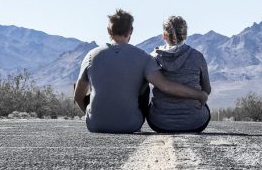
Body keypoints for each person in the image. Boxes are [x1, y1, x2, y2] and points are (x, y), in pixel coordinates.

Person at [74, 9, 208, 134]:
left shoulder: (91, 55)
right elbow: (165, 86)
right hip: (130, 124)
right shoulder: (143, 58)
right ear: (131, 30)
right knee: (143, 85)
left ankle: (98, 115)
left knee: (96, 84)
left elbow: (78, 96)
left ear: (109, 30)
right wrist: (199, 95)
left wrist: (89, 114)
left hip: (95, 125)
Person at [146, 15, 212, 133]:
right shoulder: (197, 57)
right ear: (185, 34)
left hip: (159, 122)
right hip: (195, 122)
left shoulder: (153, 57)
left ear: (164, 36)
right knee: (204, 106)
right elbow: (206, 89)